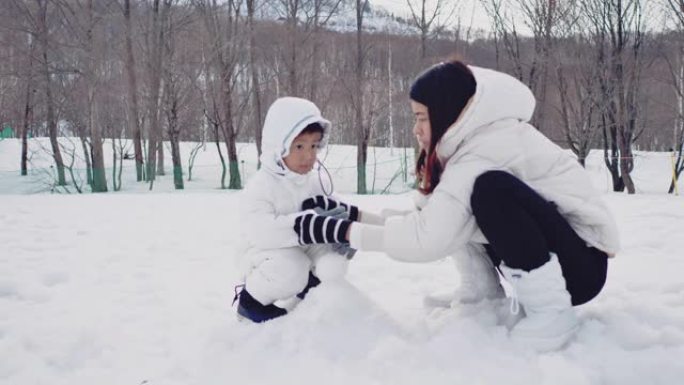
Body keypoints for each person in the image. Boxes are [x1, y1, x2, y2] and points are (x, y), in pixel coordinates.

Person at [291, 60, 620, 351]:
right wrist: (356, 216)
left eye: (422, 117)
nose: (415, 128)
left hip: (581, 268)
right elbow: (438, 219)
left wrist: (345, 232)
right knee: (460, 206)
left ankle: (551, 313)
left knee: (489, 192)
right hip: (561, 255)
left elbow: (427, 239)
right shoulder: (467, 143)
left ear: (446, 110)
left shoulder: (486, 147)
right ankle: (481, 291)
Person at [234, 97, 379, 323]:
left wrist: (344, 234)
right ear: (277, 146)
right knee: (292, 269)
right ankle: (250, 301)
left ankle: (311, 283)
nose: (308, 155)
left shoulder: (313, 181)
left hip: (302, 248)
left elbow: (336, 211)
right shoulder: (262, 186)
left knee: (332, 266)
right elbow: (261, 232)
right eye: (299, 146)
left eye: (314, 145)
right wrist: (308, 225)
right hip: (264, 252)